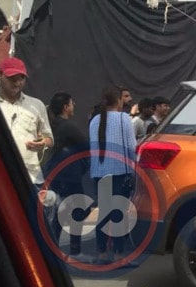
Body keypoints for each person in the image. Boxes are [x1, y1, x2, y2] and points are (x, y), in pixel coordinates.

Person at [89, 87, 137, 263]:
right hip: (119, 172)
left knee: (104, 213)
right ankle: (118, 255)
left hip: (99, 173)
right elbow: (132, 147)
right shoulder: (124, 118)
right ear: (118, 101)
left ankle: (101, 254)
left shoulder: (95, 120)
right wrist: (134, 167)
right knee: (119, 214)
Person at [0, 57, 53, 185]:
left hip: (31, 177)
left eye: (21, 78)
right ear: (0, 75)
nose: (17, 83)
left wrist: (42, 143)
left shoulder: (36, 105)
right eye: (12, 78)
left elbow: (49, 139)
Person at [45, 92, 89, 256]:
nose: (74, 106)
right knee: (78, 210)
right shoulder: (68, 126)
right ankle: (75, 251)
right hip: (69, 175)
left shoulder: (52, 125)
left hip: (57, 174)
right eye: (71, 103)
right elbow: (86, 146)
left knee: (59, 212)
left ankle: (53, 249)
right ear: (65, 107)